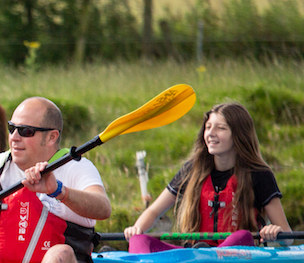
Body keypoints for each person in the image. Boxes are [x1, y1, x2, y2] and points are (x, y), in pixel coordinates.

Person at [0, 96, 111, 263]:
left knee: (62, 254)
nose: (14, 137)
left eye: (25, 131)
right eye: (11, 128)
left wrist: (58, 190)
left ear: (51, 137)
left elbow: (103, 208)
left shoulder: (76, 167)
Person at [124, 102, 291, 252]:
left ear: (238, 135)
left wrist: (275, 232)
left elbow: (288, 237)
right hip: (194, 254)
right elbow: (154, 211)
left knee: (242, 237)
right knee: (140, 241)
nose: (211, 133)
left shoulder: (259, 174)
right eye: (208, 127)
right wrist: (137, 229)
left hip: (238, 255)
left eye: (221, 128)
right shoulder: (192, 170)